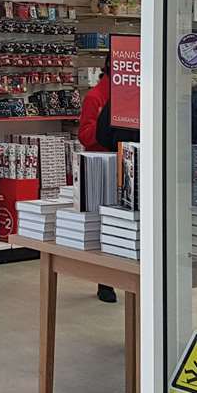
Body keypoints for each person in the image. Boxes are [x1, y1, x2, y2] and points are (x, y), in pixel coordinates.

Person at [78, 53, 139, 303]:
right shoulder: (96, 96)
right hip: (104, 166)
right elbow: (85, 135)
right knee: (107, 225)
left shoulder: (133, 94)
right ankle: (106, 282)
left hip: (130, 164)